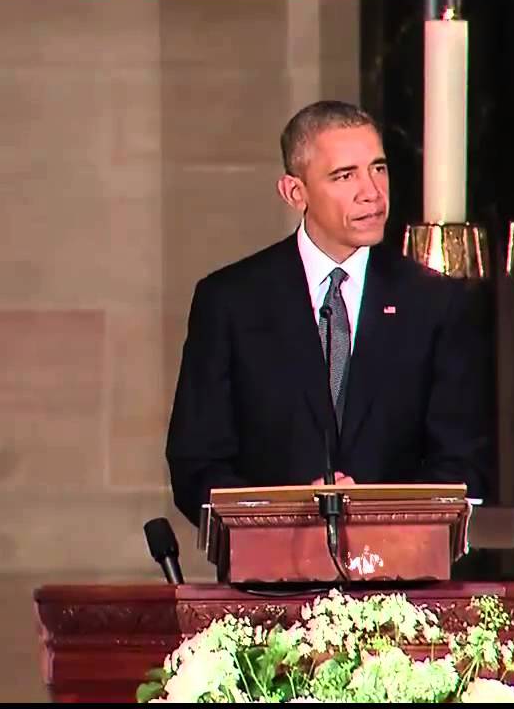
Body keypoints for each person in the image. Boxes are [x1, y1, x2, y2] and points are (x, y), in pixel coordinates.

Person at [165, 100, 490, 527]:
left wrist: (376, 515)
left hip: (397, 578)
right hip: (269, 580)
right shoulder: (230, 301)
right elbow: (197, 462)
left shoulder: (434, 302)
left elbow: (463, 464)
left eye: (378, 168)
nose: (371, 192)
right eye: (345, 175)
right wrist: (286, 517)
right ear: (294, 192)